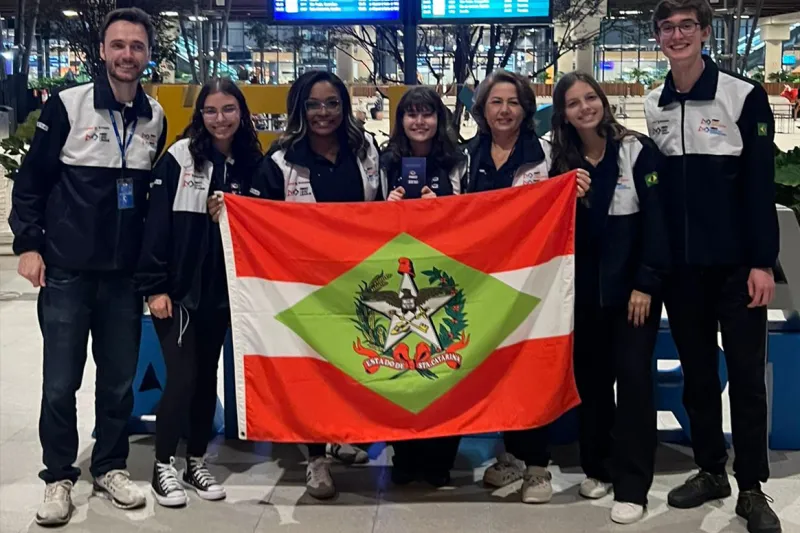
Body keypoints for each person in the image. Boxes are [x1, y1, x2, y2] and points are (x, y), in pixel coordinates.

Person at [9, 7, 167, 526]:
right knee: (60, 383)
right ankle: (58, 476)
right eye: (118, 45)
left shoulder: (155, 117)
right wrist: (29, 244)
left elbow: (149, 198)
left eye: (137, 46)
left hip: (122, 279)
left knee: (118, 383)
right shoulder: (67, 106)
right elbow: (31, 182)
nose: (127, 55)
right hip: (67, 273)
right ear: (102, 51)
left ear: (148, 54)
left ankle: (109, 466)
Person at [646, 1, 781, 532]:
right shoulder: (654, 103)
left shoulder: (743, 96)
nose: (677, 35)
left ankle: (751, 487)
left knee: (746, 378)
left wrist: (761, 262)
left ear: (704, 32)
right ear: (658, 36)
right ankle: (710, 469)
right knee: (698, 376)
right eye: (667, 27)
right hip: (683, 273)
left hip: (736, 270)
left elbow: (760, 184)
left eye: (687, 26)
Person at [221, 70, 378, 500]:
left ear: (344, 106)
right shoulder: (281, 160)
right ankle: (315, 457)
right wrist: (231, 211)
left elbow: (381, 208)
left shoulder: (365, 150)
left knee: (351, 362)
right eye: (313, 104)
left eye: (332, 103)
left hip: (357, 281)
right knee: (311, 370)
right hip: (303, 286)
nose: (323, 112)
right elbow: (259, 218)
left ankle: (341, 435)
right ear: (299, 109)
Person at [136, 79, 264, 508]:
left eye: (228, 109)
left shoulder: (251, 164)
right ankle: (162, 466)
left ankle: (195, 461)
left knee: (207, 376)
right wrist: (155, 287)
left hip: (222, 293)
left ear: (241, 113)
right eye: (211, 110)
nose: (220, 119)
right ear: (200, 114)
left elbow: (265, 220)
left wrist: (234, 210)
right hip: (178, 293)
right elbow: (156, 226)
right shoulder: (179, 157)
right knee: (182, 376)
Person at [463, 70, 590, 504]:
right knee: (496, 372)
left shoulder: (550, 156)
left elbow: (570, 206)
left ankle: (537, 466)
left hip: (535, 285)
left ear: (527, 110)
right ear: (482, 109)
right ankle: (513, 456)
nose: (504, 110)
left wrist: (576, 188)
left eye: (513, 102)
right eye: (496, 102)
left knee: (531, 371)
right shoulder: (466, 158)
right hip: (482, 287)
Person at [550, 72, 669, 524]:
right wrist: (568, 199)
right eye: (573, 103)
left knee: (634, 382)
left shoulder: (636, 150)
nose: (585, 108)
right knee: (593, 383)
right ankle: (597, 467)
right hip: (583, 296)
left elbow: (657, 222)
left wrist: (647, 282)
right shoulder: (562, 162)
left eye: (590, 98)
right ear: (563, 114)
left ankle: (633, 486)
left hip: (632, 294)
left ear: (603, 101)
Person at [380, 86, 467, 487]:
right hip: (399, 277)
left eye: (427, 113)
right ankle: (404, 454)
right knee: (402, 370)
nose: (419, 121)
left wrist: (444, 206)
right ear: (400, 120)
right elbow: (363, 216)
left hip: (445, 277)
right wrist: (387, 208)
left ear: (439, 118)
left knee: (444, 369)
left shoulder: (459, 162)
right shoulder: (384, 162)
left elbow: (476, 215)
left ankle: (440, 458)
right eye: (411, 114)